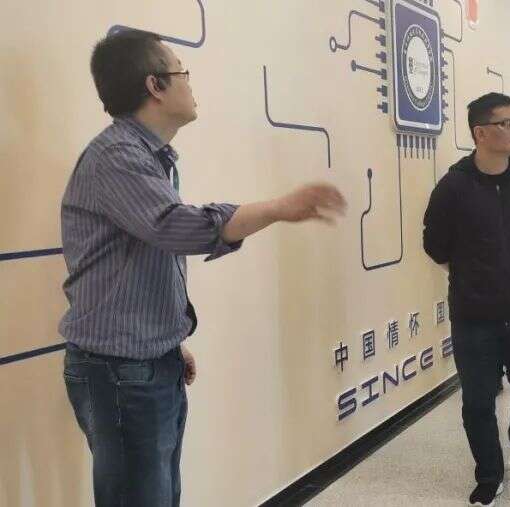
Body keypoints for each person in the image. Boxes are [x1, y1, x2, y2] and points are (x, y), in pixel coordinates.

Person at [59, 30, 347, 507]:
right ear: (155, 85)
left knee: (157, 495)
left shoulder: (147, 156)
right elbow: (178, 229)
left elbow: (141, 258)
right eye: (182, 72)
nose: (190, 83)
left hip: (144, 361)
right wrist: (278, 208)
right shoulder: (117, 156)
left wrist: (168, 342)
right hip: (120, 371)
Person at [423, 92, 510, 506]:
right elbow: (435, 246)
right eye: (506, 124)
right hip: (474, 315)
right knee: (478, 400)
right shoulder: (453, 187)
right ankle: (489, 473)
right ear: (480, 133)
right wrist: (474, 276)